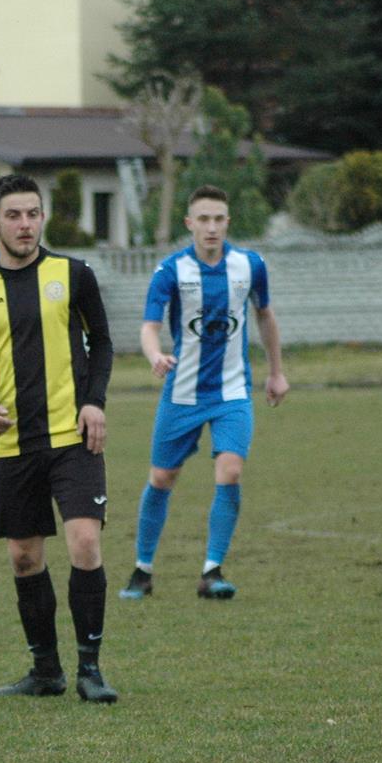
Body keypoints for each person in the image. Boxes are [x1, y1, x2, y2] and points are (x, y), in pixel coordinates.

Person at [0, 173, 118, 704]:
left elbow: (104, 344)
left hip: (74, 437)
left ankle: (90, 669)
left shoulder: (74, 274)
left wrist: (95, 401)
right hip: (15, 444)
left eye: (33, 213)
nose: (25, 225)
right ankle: (45, 670)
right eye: (14, 216)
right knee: (24, 558)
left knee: (85, 543)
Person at [118, 185, 287, 603]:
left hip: (233, 391)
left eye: (219, 219)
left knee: (230, 470)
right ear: (189, 224)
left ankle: (212, 571)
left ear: (228, 222)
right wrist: (155, 354)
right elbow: (149, 326)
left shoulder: (249, 265)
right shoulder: (171, 271)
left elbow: (265, 316)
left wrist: (277, 372)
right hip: (183, 391)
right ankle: (142, 569)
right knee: (162, 477)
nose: (211, 227)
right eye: (203, 219)